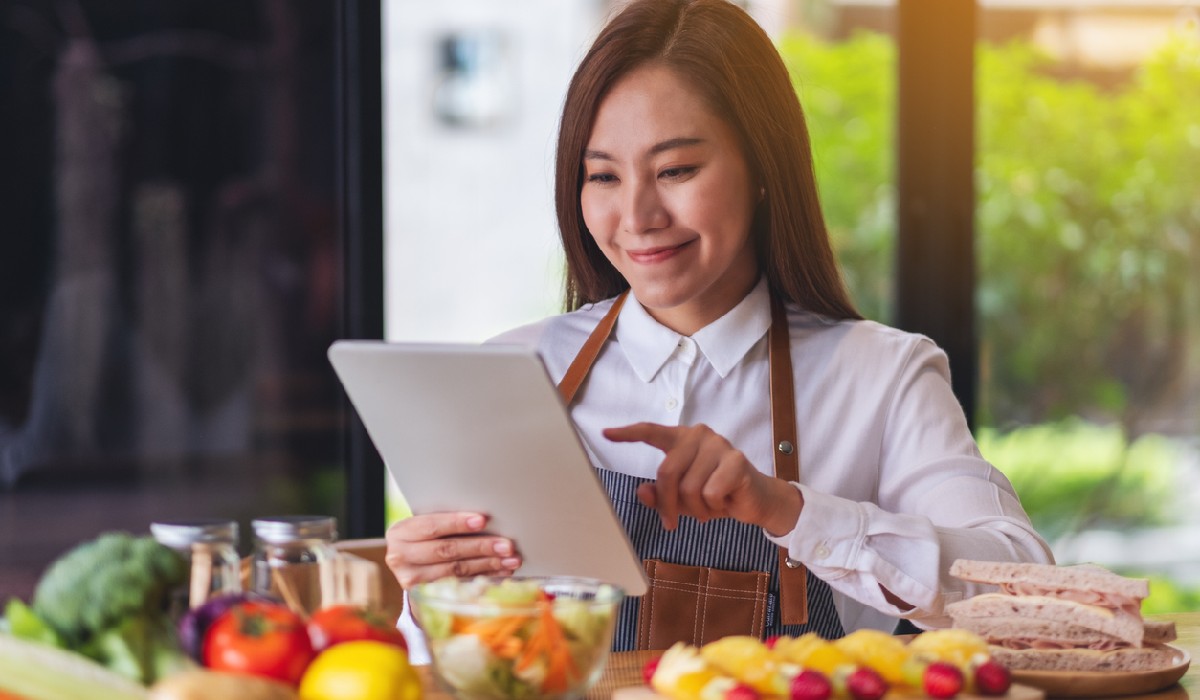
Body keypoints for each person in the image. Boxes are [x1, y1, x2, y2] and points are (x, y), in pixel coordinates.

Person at [386, 0, 1053, 655]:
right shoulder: (515, 371)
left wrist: (787, 509)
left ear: (763, 166)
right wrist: (432, 595)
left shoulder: (882, 374)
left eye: (676, 170)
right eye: (603, 176)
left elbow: (1028, 589)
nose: (637, 215)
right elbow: (455, 658)